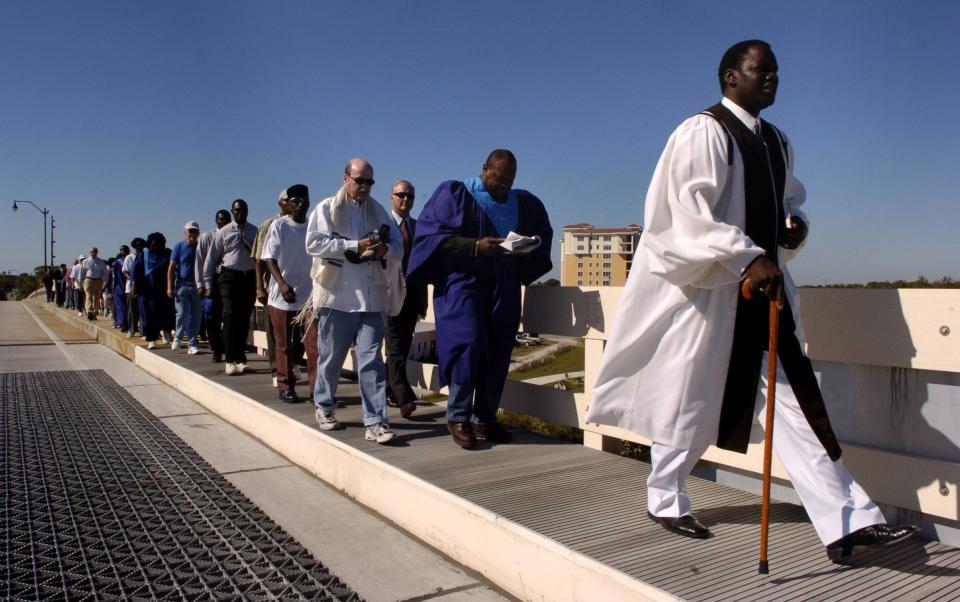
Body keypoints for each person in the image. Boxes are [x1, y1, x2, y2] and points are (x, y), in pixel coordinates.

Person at [585, 40, 917, 561]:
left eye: (777, 71)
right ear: (728, 76)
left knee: (794, 403)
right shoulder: (703, 132)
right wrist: (744, 256)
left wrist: (792, 228)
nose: (773, 78)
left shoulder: (778, 142)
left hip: (763, 297)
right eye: (761, 69)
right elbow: (681, 216)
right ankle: (665, 495)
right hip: (708, 294)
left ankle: (845, 522)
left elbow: (789, 203)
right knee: (692, 395)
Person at [406, 149, 553, 449]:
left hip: (504, 283)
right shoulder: (455, 194)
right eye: (498, 178)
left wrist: (528, 247)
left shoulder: (523, 201)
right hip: (465, 282)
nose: (503, 186)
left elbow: (542, 236)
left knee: (499, 347)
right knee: (468, 343)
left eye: (509, 181)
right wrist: (474, 246)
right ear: (485, 169)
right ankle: (458, 415)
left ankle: (485, 418)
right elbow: (430, 239)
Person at [304, 158, 403, 444]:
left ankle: (375, 422)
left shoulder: (378, 211)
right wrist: (352, 245)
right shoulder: (326, 208)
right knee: (332, 357)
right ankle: (324, 405)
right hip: (337, 298)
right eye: (360, 180)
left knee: (372, 359)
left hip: (370, 297)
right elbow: (313, 243)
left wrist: (383, 248)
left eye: (370, 182)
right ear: (346, 177)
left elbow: (398, 246)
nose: (365, 187)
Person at [262, 185, 316, 403]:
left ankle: (317, 390)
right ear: (288, 204)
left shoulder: (314, 225)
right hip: (282, 297)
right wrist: (282, 285)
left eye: (304, 200)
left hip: (309, 297)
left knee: (314, 346)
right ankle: (286, 386)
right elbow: (269, 258)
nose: (300, 204)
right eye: (296, 200)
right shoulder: (279, 226)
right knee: (284, 345)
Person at [383, 180, 428, 419]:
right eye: (401, 195)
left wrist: (423, 301)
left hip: (412, 298)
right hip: (389, 296)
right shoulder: (383, 225)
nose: (405, 199)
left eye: (410, 196)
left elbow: (423, 266)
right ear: (391, 197)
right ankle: (404, 398)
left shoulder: (418, 227)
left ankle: (387, 389)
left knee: (402, 347)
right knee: (395, 349)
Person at [203, 199, 257, 375]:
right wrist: (207, 283)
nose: (241, 213)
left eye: (244, 210)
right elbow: (211, 259)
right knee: (229, 315)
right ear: (233, 212)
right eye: (237, 210)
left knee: (244, 317)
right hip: (229, 276)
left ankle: (241, 358)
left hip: (248, 276)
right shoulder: (224, 232)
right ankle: (230, 358)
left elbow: (260, 257)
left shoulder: (254, 231)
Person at [253, 196, 291, 387]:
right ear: (280, 203)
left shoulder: (303, 224)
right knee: (276, 333)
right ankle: (277, 370)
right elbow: (259, 259)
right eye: (287, 200)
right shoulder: (269, 225)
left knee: (295, 334)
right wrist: (260, 286)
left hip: (297, 289)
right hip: (274, 288)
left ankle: (290, 367)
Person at [197, 210, 232, 362]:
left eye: (226, 220)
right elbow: (199, 262)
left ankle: (229, 348)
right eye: (221, 220)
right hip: (211, 281)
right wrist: (200, 284)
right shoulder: (207, 237)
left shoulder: (233, 234)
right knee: (211, 317)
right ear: (216, 221)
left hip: (229, 280)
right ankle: (216, 349)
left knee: (230, 315)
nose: (223, 222)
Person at [133, 232, 174, 349]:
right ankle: (152, 339)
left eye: (160, 244)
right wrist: (136, 287)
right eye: (154, 244)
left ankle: (166, 331)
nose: (157, 246)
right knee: (148, 315)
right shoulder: (143, 255)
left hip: (163, 290)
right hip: (147, 291)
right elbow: (136, 272)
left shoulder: (167, 255)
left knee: (165, 312)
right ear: (149, 244)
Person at [168, 221, 202, 354]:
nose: (192, 234)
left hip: (196, 285)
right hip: (182, 284)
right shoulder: (178, 247)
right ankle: (178, 337)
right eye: (190, 231)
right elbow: (171, 267)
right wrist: (169, 286)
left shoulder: (200, 247)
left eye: (195, 231)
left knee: (196, 315)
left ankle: (192, 343)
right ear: (185, 232)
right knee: (181, 314)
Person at [124, 238, 146, 337]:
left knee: (143, 309)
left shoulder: (146, 257)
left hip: (143, 287)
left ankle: (143, 331)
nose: (139, 248)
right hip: (131, 287)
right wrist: (132, 280)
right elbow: (125, 271)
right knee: (132, 310)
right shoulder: (129, 258)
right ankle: (131, 329)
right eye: (137, 246)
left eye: (141, 246)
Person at [81, 247, 109, 320]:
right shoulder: (86, 261)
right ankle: (89, 311)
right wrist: (82, 281)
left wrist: (104, 281)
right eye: (92, 251)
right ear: (90, 252)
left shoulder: (101, 262)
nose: (93, 253)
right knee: (89, 296)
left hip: (98, 280)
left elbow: (105, 272)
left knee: (97, 297)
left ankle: (94, 312)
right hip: (88, 279)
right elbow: (82, 272)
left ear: (97, 252)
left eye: (95, 251)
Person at [112, 246, 129, 330]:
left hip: (120, 286)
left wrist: (113, 287)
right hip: (128, 285)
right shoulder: (132, 259)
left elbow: (115, 277)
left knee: (120, 306)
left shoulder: (117, 263)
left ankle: (122, 323)